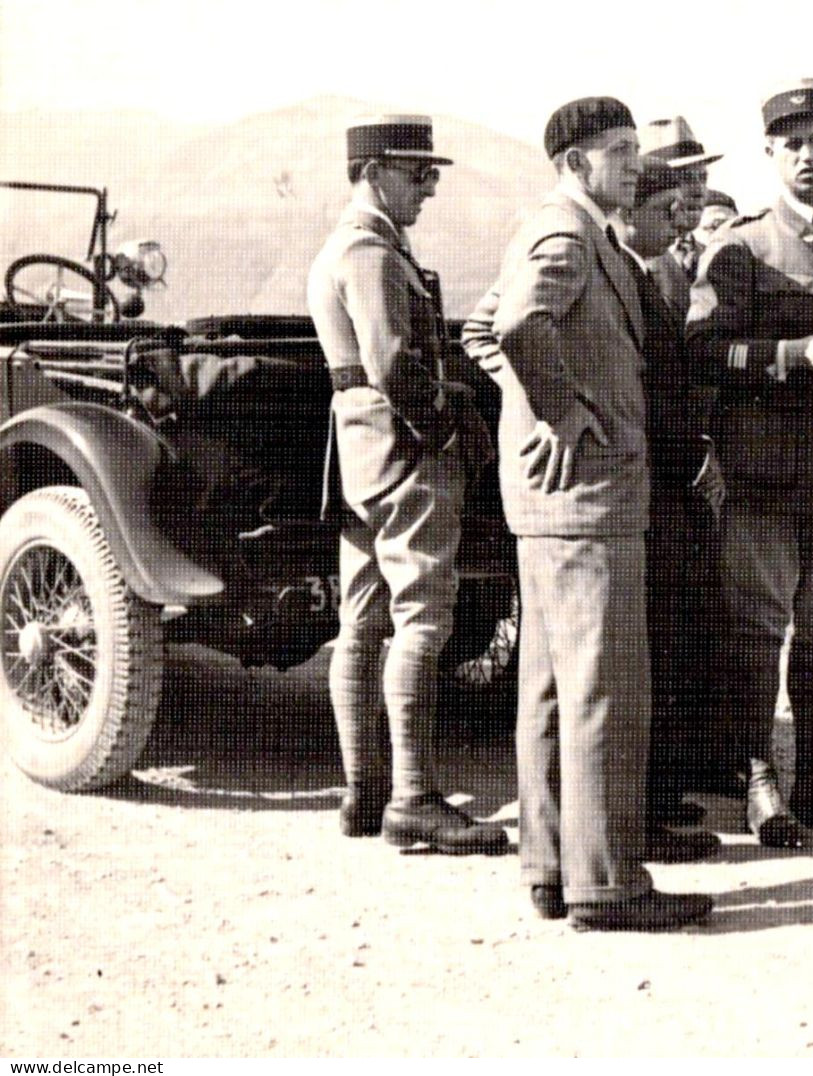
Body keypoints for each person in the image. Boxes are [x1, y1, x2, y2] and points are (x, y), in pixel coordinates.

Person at [460, 97, 712, 931]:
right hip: (585, 498)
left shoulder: (571, 229)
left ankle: (549, 865)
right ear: (573, 162)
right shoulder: (567, 234)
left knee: (549, 686)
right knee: (604, 688)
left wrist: (536, 409)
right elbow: (519, 323)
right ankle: (606, 884)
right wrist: (561, 415)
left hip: (557, 501)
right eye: (618, 151)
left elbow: (481, 330)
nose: (634, 165)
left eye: (635, 148)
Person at [687, 78, 813, 847]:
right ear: (770, 154)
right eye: (791, 144)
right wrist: (791, 355)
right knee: (758, 631)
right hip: (765, 476)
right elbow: (701, 350)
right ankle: (758, 779)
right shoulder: (739, 248)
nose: (807, 155)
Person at [305, 115, 507, 855]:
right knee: (422, 617)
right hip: (404, 453)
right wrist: (449, 434)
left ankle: (365, 792)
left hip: (360, 455)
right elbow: (395, 366)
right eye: (416, 172)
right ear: (372, 172)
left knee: (361, 620)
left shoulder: (352, 247)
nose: (429, 186)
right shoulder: (370, 254)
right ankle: (414, 797)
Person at [617, 155, 727, 833]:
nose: (678, 222)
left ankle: (657, 794)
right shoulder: (621, 275)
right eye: (665, 211)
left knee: (674, 637)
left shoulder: (645, 273)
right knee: (654, 643)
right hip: (651, 479)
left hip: (669, 475)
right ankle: (644, 808)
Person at [639, 115, 723, 304]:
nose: (699, 191)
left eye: (703, 178)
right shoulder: (633, 258)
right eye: (684, 179)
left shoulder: (715, 257)